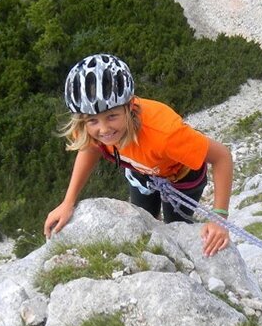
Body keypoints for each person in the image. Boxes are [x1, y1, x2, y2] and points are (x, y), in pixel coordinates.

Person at [43, 53, 232, 257]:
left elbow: (221, 157)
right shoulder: (87, 126)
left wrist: (219, 218)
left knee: (176, 226)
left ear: (130, 106)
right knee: (141, 221)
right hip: (141, 171)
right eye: (93, 121)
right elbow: (90, 148)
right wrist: (68, 201)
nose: (104, 129)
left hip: (182, 177)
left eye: (112, 116)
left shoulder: (165, 133)